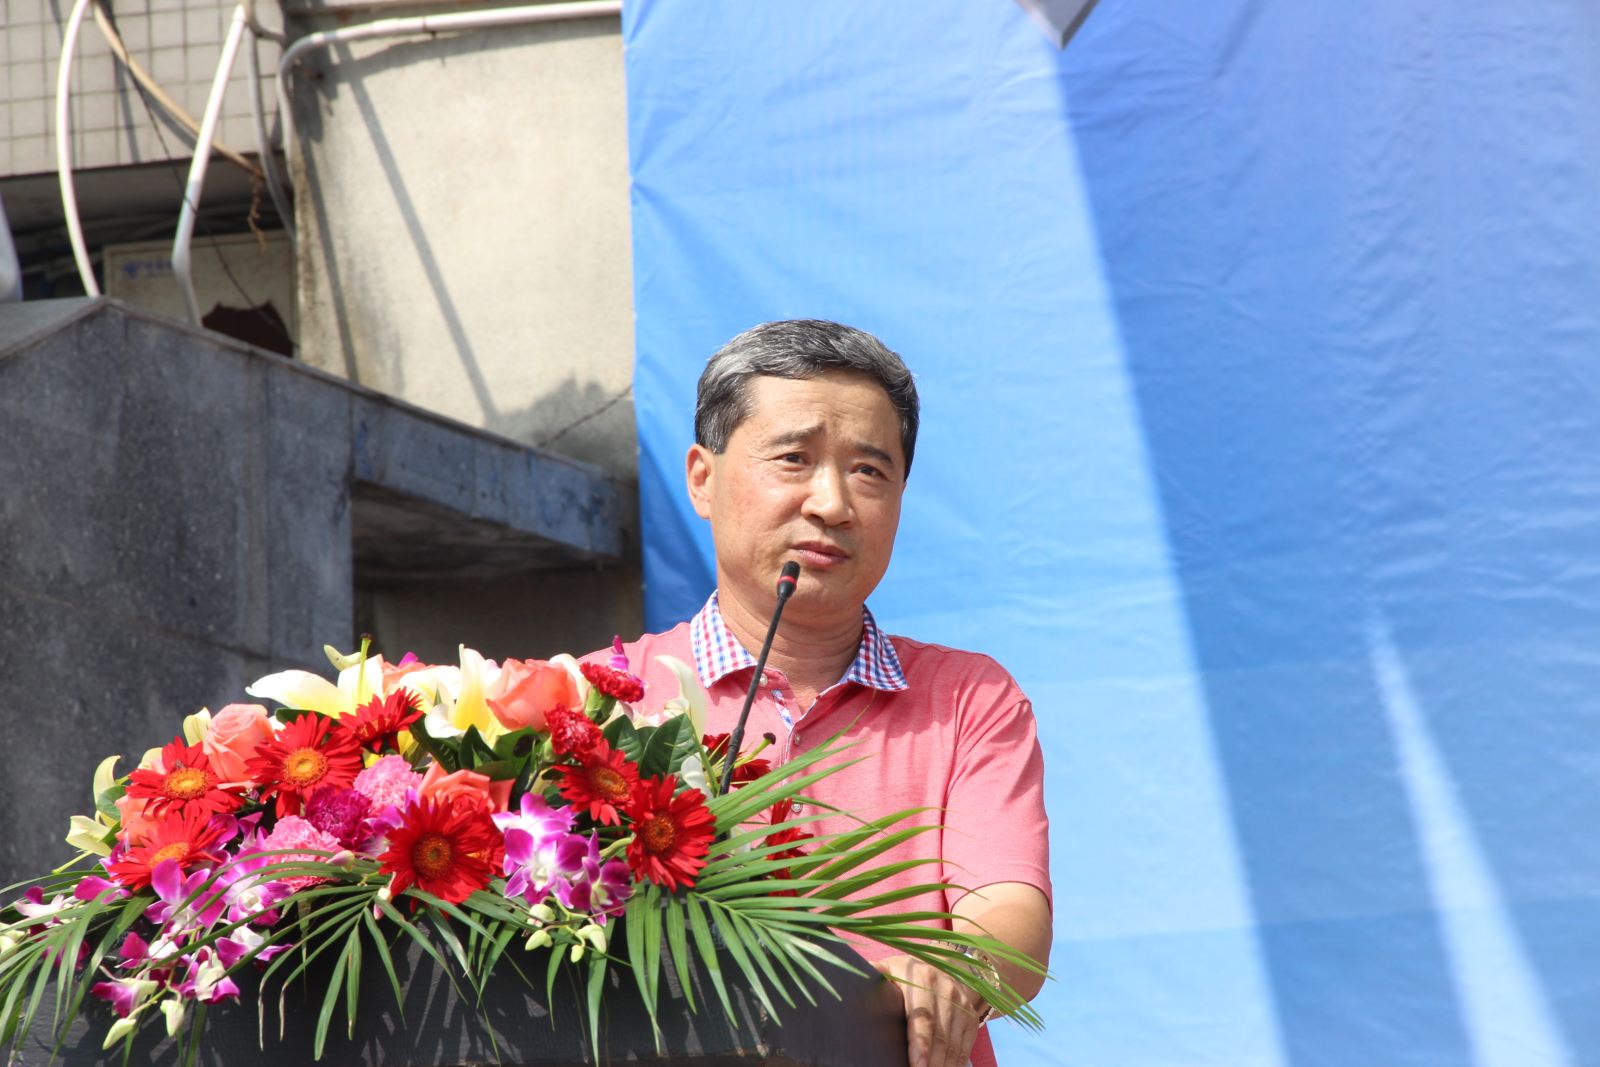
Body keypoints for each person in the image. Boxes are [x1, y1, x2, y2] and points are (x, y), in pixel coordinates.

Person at [609, 319, 1051, 1067]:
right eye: (794, 458)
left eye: (870, 470)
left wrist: (953, 974)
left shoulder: (968, 699)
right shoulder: (598, 698)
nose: (833, 503)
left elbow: (1008, 908)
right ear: (702, 479)